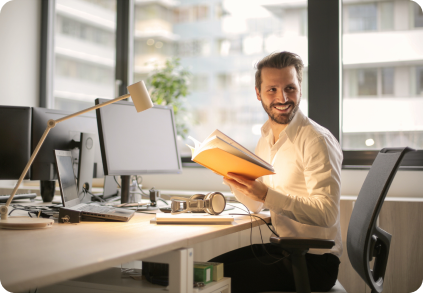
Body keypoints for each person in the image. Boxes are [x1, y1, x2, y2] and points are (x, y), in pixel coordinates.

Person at [209, 51, 343, 293]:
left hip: (314, 262)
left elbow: (327, 214)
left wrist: (266, 195)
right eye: (272, 89)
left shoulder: (316, 140)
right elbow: (255, 206)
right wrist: (234, 179)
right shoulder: (266, 138)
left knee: (210, 282)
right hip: (284, 249)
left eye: (290, 88)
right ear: (258, 93)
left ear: (300, 88)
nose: (282, 98)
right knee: (207, 270)